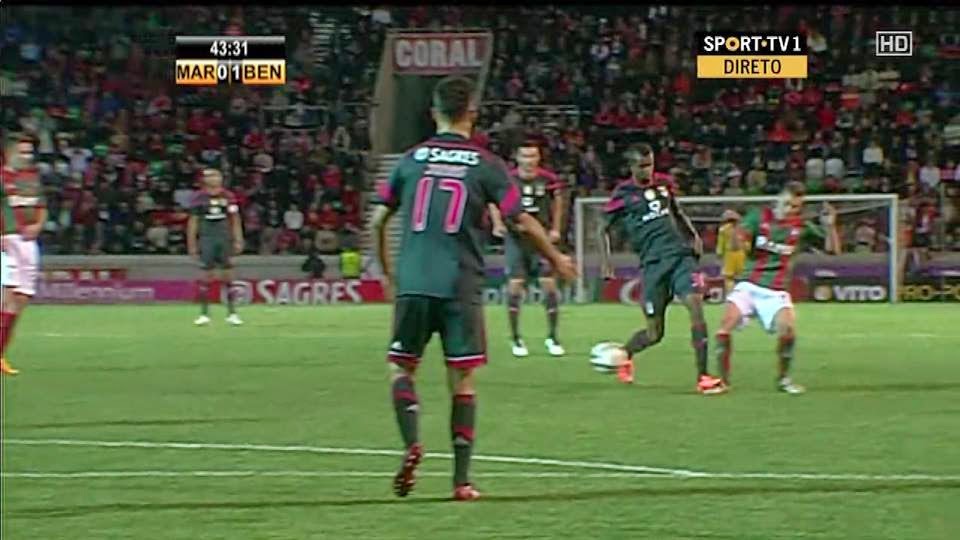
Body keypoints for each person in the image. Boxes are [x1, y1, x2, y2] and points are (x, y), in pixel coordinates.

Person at [372, 76, 576, 502]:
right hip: (460, 283)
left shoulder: (410, 159)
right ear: (472, 113)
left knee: (401, 369)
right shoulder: (486, 164)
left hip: (414, 281)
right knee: (462, 380)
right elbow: (521, 220)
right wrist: (557, 259)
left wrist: (389, 274)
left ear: (434, 113)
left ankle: (412, 442)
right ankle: (461, 481)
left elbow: (378, 221)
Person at [600, 143, 726, 394]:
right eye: (642, 166)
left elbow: (676, 211)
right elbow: (602, 228)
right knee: (654, 333)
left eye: (650, 164)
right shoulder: (623, 194)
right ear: (631, 167)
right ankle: (626, 354)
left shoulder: (664, 184)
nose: (647, 170)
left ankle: (703, 376)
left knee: (696, 306)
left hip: (681, 257)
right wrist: (607, 261)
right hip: (653, 265)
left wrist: (693, 236)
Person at [713, 182, 840, 395]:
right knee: (723, 330)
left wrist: (830, 226)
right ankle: (723, 382)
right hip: (748, 285)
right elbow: (736, 245)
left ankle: (783, 379)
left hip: (776, 290)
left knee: (788, 331)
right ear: (779, 199)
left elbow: (833, 251)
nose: (791, 209)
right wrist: (735, 227)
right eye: (788, 204)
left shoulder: (801, 226)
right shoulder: (758, 217)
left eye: (796, 207)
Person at [488, 141, 567, 357]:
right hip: (516, 239)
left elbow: (558, 203)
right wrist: (497, 223)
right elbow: (493, 202)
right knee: (515, 285)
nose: (529, 161)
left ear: (538, 158)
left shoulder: (548, 180)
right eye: (525, 156)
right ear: (518, 158)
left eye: (533, 156)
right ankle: (516, 338)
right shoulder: (508, 179)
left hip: (542, 240)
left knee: (549, 285)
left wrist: (556, 229)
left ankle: (552, 337)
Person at [1, 137, 47, 376]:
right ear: (9, 153)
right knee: (7, 296)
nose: (27, 156)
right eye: (22, 152)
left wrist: (38, 225)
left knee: (22, 297)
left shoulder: (31, 179)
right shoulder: (3, 177)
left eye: (30, 152)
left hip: (28, 242)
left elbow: (41, 207)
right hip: (6, 239)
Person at [187, 168, 245, 326]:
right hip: (207, 238)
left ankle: (232, 313)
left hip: (224, 238)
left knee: (228, 275)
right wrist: (192, 244)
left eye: (216, 176)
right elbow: (193, 222)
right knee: (207, 275)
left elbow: (235, 218)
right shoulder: (199, 198)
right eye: (209, 176)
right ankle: (204, 314)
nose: (213, 178)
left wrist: (238, 239)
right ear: (204, 180)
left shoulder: (228, 196)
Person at [716, 209, 747, 296]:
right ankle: (742, 295)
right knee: (742, 277)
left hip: (729, 255)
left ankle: (731, 295)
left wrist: (719, 254)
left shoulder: (723, 229)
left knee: (729, 278)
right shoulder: (743, 228)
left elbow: (720, 244)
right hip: (741, 254)